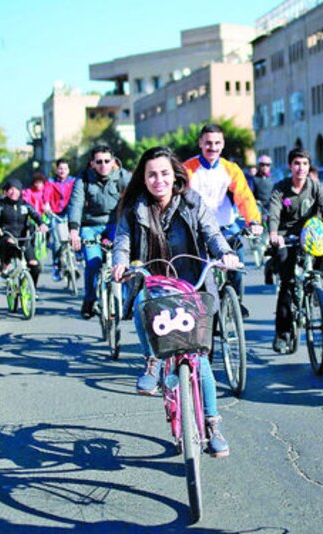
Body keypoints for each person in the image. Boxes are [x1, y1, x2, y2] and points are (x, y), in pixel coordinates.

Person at [112, 146, 239, 457]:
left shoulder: (193, 203)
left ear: (175, 175)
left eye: (164, 174)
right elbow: (122, 242)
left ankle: (213, 426)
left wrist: (224, 253)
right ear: (143, 178)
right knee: (140, 300)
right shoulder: (135, 208)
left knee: (199, 359)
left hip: (191, 287)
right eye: (152, 175)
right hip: (155, 286)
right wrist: (120, 263)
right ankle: (152, 360)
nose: (159, 180)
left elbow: (212, 234)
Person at [267, 148, 323, 353]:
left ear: (309, 166)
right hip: (285, 237)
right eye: (296, 163)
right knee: (287, 284)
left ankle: (316, 280)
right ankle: (283, 334)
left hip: (310, 233)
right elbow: (274, 214)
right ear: (290, 166)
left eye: (304, 164)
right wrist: (274, 234)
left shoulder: (316, 187)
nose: (300, 168)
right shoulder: (280, 188)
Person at [183, 124, 263, 317]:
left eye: (217, 143)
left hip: (225, 225)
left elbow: (244, 196)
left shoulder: (231, 169)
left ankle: (236, 301)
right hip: (197, 228)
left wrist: (253, 221)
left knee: (238, 259)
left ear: (223, 144)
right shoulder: (187, 169)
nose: (213, 147)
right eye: (208, 143)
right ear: (200, 143)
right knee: (194, 269)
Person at [69, 145, 132, 319]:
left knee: (121, 259)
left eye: (106, 161)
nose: (103, 165)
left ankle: (125, 300)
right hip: (90, 225)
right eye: (99, 162)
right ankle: (89, 299)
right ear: (92, 163)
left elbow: (136, 196)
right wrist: (74, 230)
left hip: (115, 224)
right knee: (93, 262)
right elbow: (76, 204)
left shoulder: (122, 176)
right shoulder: (83, 179)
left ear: (113, 162)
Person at [0, 179, 48, 284]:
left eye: (16, 189)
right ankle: (5, 265)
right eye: (11, 189)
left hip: (24, 239)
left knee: (35, 265)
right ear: (6, 191)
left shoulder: (25, 205)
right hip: (7, 237)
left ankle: (31, 288)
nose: (14, 192)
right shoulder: (1, 205)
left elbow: (35, 215)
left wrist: (42, 224)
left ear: (20, 191)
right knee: (9, 245)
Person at [48, 159, 77, 281]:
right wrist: (46, 205)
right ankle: (56, 265)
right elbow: (46, 195)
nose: (62, 171)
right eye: (60, 168)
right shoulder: (51, 182)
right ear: (56, 170)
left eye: (65, 168)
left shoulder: (73, 181)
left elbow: (78, 195)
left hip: (70, 213)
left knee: (75, 236)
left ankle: (76, 260)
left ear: (68, 170)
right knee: (57, 242)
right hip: (55, 213)